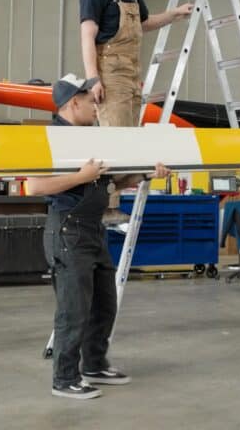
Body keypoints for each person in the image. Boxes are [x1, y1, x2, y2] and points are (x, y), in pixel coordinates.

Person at [26, 74, 170, 400]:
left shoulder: (89, 137)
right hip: (67, 231)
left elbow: (107, 186)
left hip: (92, 229)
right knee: (73, 310)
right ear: (73, 102)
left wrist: (145, 174)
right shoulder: (50, 138)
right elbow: (34, 187)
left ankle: (94, 364)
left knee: (105, 304)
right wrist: (81, 175)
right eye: (91, 101)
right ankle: (64, 378)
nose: (97, 105)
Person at [79, 0, 192, 223]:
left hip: (132, 73)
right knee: (114, 139)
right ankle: (106, 206)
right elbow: (87, 36)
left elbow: (144, 22)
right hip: (110, 72)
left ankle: (114, 198)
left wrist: (174, 15)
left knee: (129, 139)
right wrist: (93, 78)